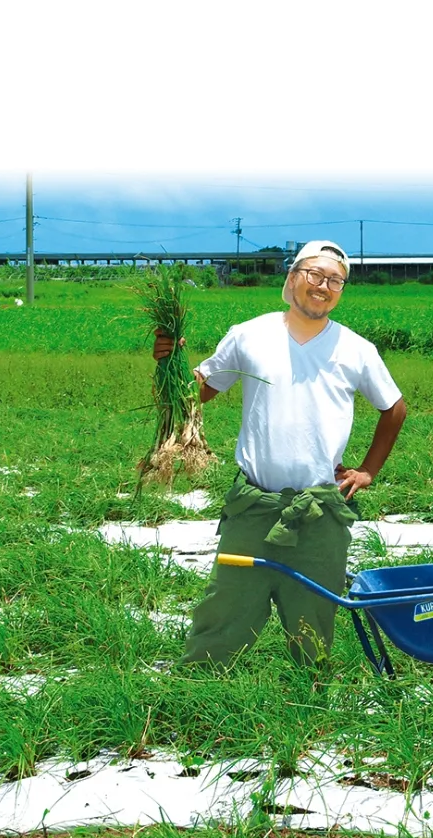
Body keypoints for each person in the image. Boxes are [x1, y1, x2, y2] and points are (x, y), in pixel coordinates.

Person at [174, 241, 409, 666]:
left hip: (319, 511)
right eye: (314, 274)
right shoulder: (250, 335)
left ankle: (309, 707)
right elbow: (200, 392)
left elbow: (394, 407)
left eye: (335, 280)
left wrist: (368, 470)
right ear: (292, 277)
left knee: (313, 625)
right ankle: (198, 693)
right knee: (224, 611)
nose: (323, 286)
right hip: (253, 506)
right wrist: (169, 364)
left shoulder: (355, 349)